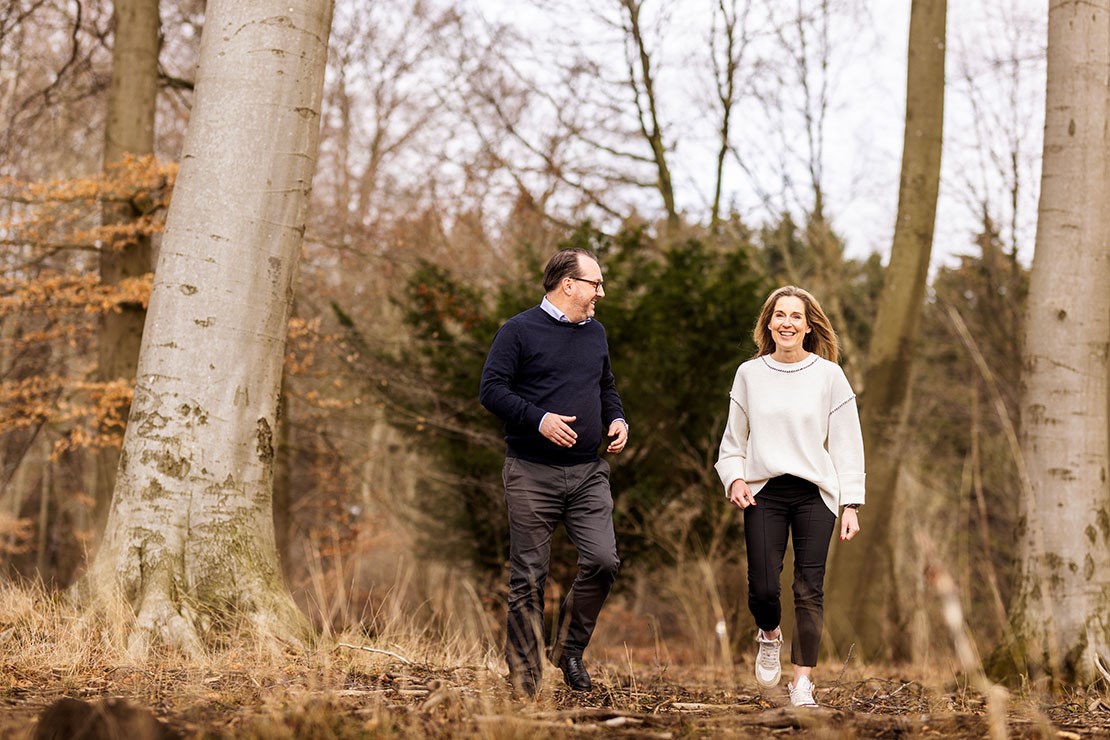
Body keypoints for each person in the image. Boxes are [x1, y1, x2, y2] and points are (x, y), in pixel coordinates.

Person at [479, 247, 629, 699]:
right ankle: (524, 680)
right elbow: (491, 390)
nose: (600, 292)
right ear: (568, 284)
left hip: (587, 473)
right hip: (531, 471)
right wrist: (538, 418)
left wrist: (617, 418)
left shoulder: (596, 333)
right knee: (528, 577)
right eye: (595, 284)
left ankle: (568, 648)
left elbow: (606, 384)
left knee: (603, 562)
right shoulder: (518, 331)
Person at [714, 285, 865, 708]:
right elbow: (733, 442)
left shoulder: (829, 376)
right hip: (764, 492)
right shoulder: (750, 374)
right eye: (779, 315)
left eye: (795, 316)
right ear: (768, 323)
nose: (786, 323)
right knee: (763, 589)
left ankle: (802, 684)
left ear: (809, 325)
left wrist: (850, 503)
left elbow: (847, 443)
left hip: (816, 492)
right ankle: (769, 636)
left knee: (808, 589)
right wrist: (735, 479)